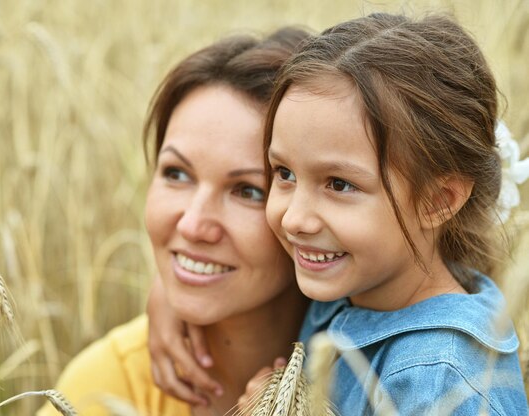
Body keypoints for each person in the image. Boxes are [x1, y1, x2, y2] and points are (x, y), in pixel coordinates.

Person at [153, 12, 529, 415]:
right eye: (284, 173)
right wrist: (170, 294)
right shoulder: (354, 286)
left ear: (438, 200)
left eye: (338, 184)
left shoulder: (441, 380)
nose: (295, 218)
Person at [37, 27, 311, 416]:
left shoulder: (389, 371)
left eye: (248, 191)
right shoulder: (106, 387)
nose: (192, 225)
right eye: (176, 174)